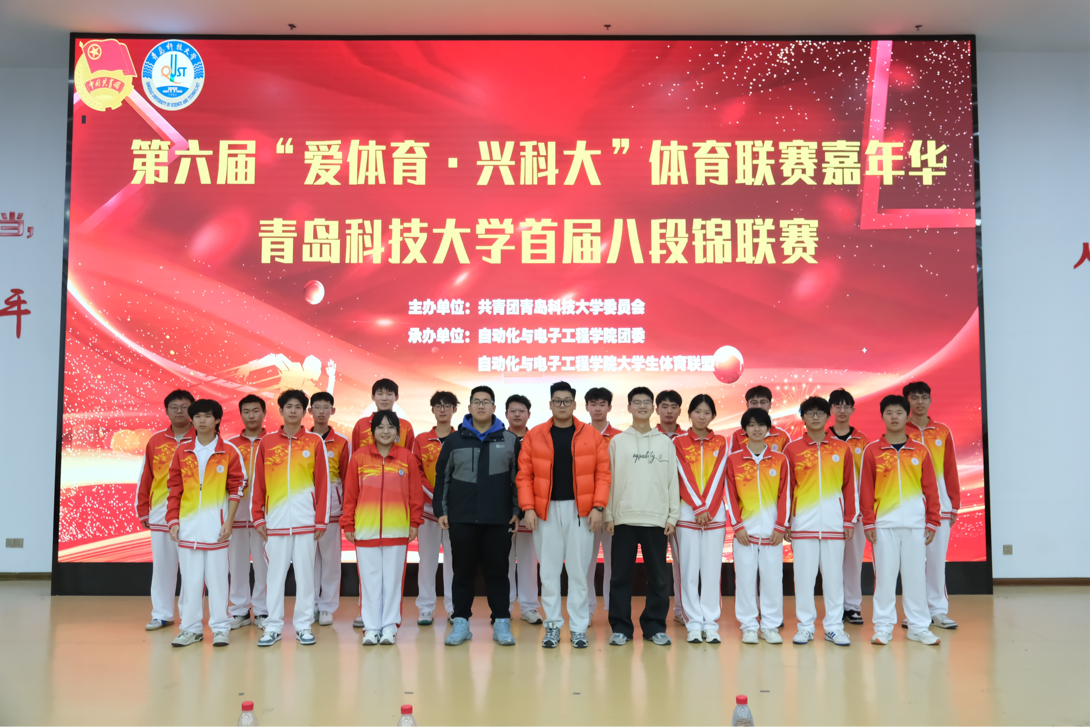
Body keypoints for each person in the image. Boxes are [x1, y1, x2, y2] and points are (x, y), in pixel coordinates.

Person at [517, 382, 610, 649]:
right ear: (550, 404)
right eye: (557, 401)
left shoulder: (591, 435)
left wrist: (598, 507)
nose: (562, 405)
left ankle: (578, 628)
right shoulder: (535, 435)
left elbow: (603, 474)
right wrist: (528, 508)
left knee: (578, 572)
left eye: (566, 401)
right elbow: (524, 475)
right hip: (545, 511)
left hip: (581, 511)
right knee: (548, 572)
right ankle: (553, 626)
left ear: (574, 404)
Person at [433, 386, 521, 647]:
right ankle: (461, 622)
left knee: (498, 572)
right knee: (462, 572)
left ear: (494, 407)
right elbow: (443, 478)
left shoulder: (509, 440)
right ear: (469, 407)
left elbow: (519, 480)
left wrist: (517, 511)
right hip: (462, 518)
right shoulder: (454, 440)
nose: (481, 406)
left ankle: (501, 622)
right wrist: (441, 510)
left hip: (498, 519)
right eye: (476, 402)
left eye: (486, 402)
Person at [251, 389, 330, 647]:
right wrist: (258, 517)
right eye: (289, 406)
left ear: (304, 411)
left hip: (306, 523)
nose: (293, 411)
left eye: (298, 407)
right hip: (275, 523)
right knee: (274, 576)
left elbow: (323, 484)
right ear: (281, 410)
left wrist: (321, 519)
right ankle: (273, 626)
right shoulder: (267, 443)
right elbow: (259, 484)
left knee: (306, 576)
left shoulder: (314, 442)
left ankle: (303, 625)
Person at [860, 395, 941, 646]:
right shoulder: (872, 451)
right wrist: (868, 522)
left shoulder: (920, 450)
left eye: (899, 412)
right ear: (882, 416)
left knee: (915, 577)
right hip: (884, 526)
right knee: (885, 578)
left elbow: (931, 488)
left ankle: (918, 627)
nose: (894, 417)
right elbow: (866, 490)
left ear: (907, 416)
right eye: (889, 412)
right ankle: (883, 627)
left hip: (916, 526)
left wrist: (932, 520)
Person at [165, 399, 246, 647]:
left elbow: (237, 488)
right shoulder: (183, 451)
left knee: (218, 581)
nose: (202, 421)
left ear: (217, 420)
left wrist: (229, 521)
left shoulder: (229, 451)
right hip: (188, 527)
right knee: (190, 581)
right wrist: (173, 519)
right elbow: (174, 488)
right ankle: (191, 629)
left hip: (216, 529)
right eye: (198, 416)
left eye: (208, 416)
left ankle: (220, 627)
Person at [341, 411, 425, 645]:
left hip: (397, 530)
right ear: (372, 431)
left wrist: (414, 522)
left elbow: (415, 494)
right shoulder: (359, 457)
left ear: (398, 432)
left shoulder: (406, 458)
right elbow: (350, 494)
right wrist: (348, 523)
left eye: (390, 427)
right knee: (369, 582)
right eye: (380, 427)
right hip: (365, 530)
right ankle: (370, 628)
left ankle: (389, 627)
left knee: (392, 582)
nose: (385, 431)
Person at [605, 387, 679, 647]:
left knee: (658, 578)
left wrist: (672, 515)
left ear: (653, 407)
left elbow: (672, 481)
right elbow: (609, 480)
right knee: (620, 577)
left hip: (656, 519)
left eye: (647, 402)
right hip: (624, 519)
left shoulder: (665, 443)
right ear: (629, 407)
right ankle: (621, 628)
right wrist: (608, 513)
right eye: (637, 402)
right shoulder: (618, 442)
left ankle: (655, 627)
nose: (642, 406)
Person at [783, 397, 855, 647]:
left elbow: (850, 487)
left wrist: (848, 520)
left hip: (834, 525)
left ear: (828, 416)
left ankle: (834, 627)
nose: (815, 417)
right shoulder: (792, 449)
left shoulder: (842, 448)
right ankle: (805, 627)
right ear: (803, 417)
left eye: (820, 412)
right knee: (804, 579)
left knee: (834, 579)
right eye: (810, 413)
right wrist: (787, 522)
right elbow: (787, 488)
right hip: (803, 525)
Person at [726, 408, 790, 645]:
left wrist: (780, 526)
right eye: (751, 425)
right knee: (744, 581)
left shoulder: (780, 460)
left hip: (772, 535)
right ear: (744, 430)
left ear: (768, 429)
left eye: (761, 425)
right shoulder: (733, 460)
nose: (756, 429)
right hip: (745, 535)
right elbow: (730, 495)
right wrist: (737, 526)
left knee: (773, 580)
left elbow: (785, 495)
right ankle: (749, 626)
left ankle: (770, 626)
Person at [135, 389, 195, 631]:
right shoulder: (156, 441)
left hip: (193, 515)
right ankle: (162, 614)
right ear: (167, 411)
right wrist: (143, 510)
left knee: (192, 570)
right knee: (162, 568)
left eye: (184, 407)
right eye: (174, 407)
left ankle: (190, 617)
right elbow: (146, 476)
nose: (179, 411)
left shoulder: (203, 438)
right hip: (161, 514)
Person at [903, 381, 961, 630]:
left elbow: (950, 469)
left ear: (930, 400)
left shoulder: (942, 431)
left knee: (937, 561)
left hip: (941, 509)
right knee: (912, 564)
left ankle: (938, 610)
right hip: (910, 509)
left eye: (924, 397)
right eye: (914, 397)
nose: (920, 402)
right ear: (907, 401)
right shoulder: (900, 431)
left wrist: (954, 504)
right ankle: (915, 612)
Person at [673, 394, 729, 643]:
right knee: (688, 570)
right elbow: (683, 475)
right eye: (697, 412)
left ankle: (710, 622)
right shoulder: (678, 442)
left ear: (713, 416)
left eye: (707, 412)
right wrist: (698, 507)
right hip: (687, 515)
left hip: (714, 516)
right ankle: (693, 622)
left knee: (711, 571)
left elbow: (718, 476)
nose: (702, 416)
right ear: (689, 414)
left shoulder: (722, 442)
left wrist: (707, 508)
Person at [413, 391, 459, 627]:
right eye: (438, 406)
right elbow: (416, 472)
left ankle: (454, 608)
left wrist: (449, 499)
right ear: (432, 410)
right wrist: (435, 496)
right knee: (427, 560)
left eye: (447, 405)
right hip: (428, 511)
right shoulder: (421, 440)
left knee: (454, 562)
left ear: (454, 410)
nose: (442, 409)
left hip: (455, 512)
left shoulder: (461, 438)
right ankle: (425, 608)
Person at [828, 388, 870, 626]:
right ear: (830, 410)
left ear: (853, 410)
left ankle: (852, 607)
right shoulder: (823, 439)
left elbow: (868, 478)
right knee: (831, 562)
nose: (842, 410)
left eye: (846, 406)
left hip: (857, 513)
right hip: (829, 512)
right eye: (837, 406)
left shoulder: (862, 441)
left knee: (853, 560)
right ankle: (834, 607)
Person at [227, 394, 269, 629]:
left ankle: (263, 611)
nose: (251, 416)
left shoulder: (273, 442)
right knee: (237, 564)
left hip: (265, 515)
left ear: (264, 413)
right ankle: (239, 611)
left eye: (256, 411)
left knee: (264, 564)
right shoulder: (230, 445)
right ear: (241, 414)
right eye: (246, 411)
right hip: (237, 515)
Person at [309, 391, 351, 627]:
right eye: (317, 407)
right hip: (306, 510)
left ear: (333, 411)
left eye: (326, 407)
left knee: (331, 560)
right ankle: (311, 604)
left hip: (333, 511)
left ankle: (327, 606)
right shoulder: (303, 439)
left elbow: (347, 478)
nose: (322, 411)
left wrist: (346, 510)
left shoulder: (342, 442)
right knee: (308, 560)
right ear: (310, 411)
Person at [583, 387, 622, 622]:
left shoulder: (620, 437)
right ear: (586, 406)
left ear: (609, 406)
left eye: (602, 404)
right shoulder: (578, 434)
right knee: (585, 563)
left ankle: (612, 610)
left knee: (614, 563)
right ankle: (586, 610)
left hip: (613, 509)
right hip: (586, 509)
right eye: (593, 404)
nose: (597, 409)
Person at [505, 394, 542, 625]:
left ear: (529, 414)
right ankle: (504, 607)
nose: (517, 414)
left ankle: (529, 607)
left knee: (529, 561)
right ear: (506, 414)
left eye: (521, 410)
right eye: (513, 410)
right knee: (504, 561)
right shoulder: (499, 438)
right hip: (504, 511)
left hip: (530, 509)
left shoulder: (538, 438)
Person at [655, 389, 688, 624]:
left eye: (673, 407)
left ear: (680, 410)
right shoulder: (648, 437)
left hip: (683, 509)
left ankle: (681, 610)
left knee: (682, 562)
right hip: (654, 508)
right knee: (656, 564)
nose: (668, 411)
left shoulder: (687, 439)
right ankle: (656, 613)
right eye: (664, 406)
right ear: (656, 409)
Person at [352, 378, 416, 451]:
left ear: (396, 397)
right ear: (373, 397)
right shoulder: (361, 425)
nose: (384, 398)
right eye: (380, 394)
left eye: (389, 394)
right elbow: (355, 453)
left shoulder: (406, 426)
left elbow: (409, 454)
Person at [729, 385, 791, 454]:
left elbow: (787, 460)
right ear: (747, 405)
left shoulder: (782, 436)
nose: (759, 406)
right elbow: (734, 459)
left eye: (763, 402)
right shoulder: (738, 435)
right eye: (754, 403)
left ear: (770, 405)